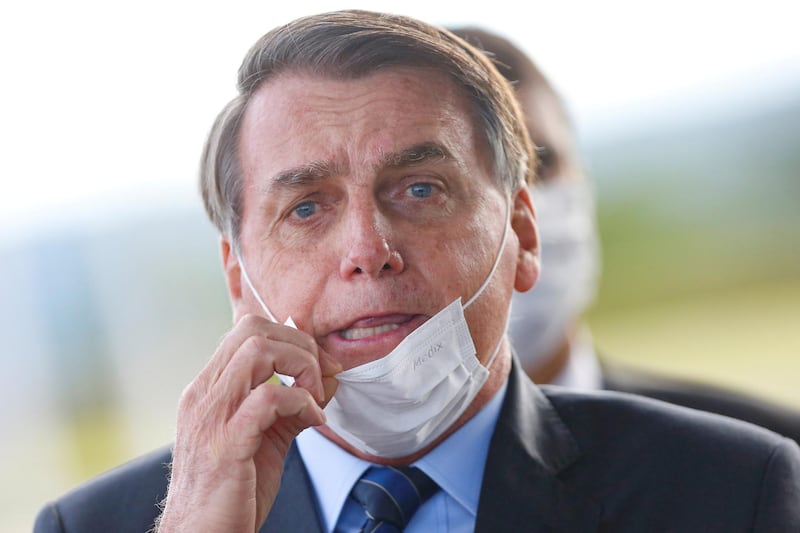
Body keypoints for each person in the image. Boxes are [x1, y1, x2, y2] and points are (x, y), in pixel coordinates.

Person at [34, 10, 800, 532]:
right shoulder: (96, 525)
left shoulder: (734, 489)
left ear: (522, 232)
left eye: (420, 190)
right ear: (238, 276)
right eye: (306, 207)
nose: (368, 247)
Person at [449, 26, 800, 443]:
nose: (521, 209)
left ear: (582, 175)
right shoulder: (372, 496)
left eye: (540, 165)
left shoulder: (761, 459)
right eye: (446, 184)